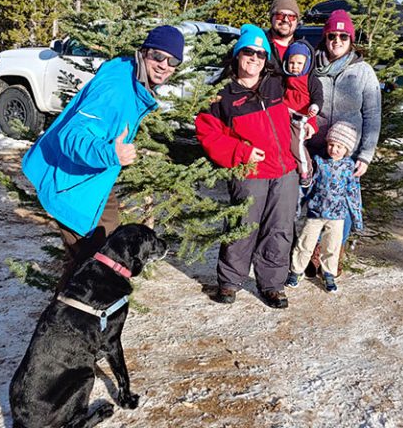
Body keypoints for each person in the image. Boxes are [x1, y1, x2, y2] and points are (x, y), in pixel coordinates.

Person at [22, 25, 185, 290]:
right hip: (69, 182)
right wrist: (110, 152)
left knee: (104, 247)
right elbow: (71, 135)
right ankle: (65, 322)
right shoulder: (116, 90)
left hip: (92, 179)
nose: (164, 65)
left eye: (173, 61)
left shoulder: (130, 76)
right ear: (144, 53)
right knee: (88, 266)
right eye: (158, 56)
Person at [195, 24, 310, 309]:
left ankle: (272, 284)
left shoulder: (276, 83)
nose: (255, 58)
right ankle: (230, 282)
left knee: (280, 229)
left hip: (284, 170)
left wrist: (308, 125)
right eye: (249, 52)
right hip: (250, 171)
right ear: (237, 55)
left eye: (261, 53)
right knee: (242, 226)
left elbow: (303, 103)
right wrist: (240, 151)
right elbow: (208, 133)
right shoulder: (222, 94)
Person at [305, 9, 381, 273]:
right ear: (325, 37)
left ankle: (330, 252)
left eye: (343, 36)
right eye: (332, 36)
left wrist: (365, 155)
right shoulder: (311, 66)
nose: (336, 41)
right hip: (314, 148)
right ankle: (309, 249)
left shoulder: (363, 72)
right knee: (312, 201)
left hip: (347, 153)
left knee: (344, 207)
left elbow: (372, 115)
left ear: (351, 39)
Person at [286, 121, 363, 293]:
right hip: (316, 212)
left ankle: (329, 273)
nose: (334, 149)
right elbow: (308, 186)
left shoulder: (350, 166)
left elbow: (353, 193)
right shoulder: (319, 161)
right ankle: (296, 271)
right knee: (305, 243)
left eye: (339, 147)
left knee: (332, 246)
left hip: (337, 216)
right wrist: (299, 205)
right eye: (331, 144)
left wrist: (357, 219)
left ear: (347, 149)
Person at [282, 39, 322, 188]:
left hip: (303, 117)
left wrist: (315, 107)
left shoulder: (311, 80)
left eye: (299, 64)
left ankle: (306, 170)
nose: (295, 67)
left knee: (297, 144)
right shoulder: (285, 77)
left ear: (306, 64)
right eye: (292, 63)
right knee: (286, 141)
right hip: (286, 114)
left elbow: (318, 96)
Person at [265, 0, 302, 74]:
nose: (285, 19)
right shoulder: (259, 45)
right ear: (271, 18)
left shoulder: (304, 48)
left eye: (291, 16)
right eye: (280, 15)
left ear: (297, 21)